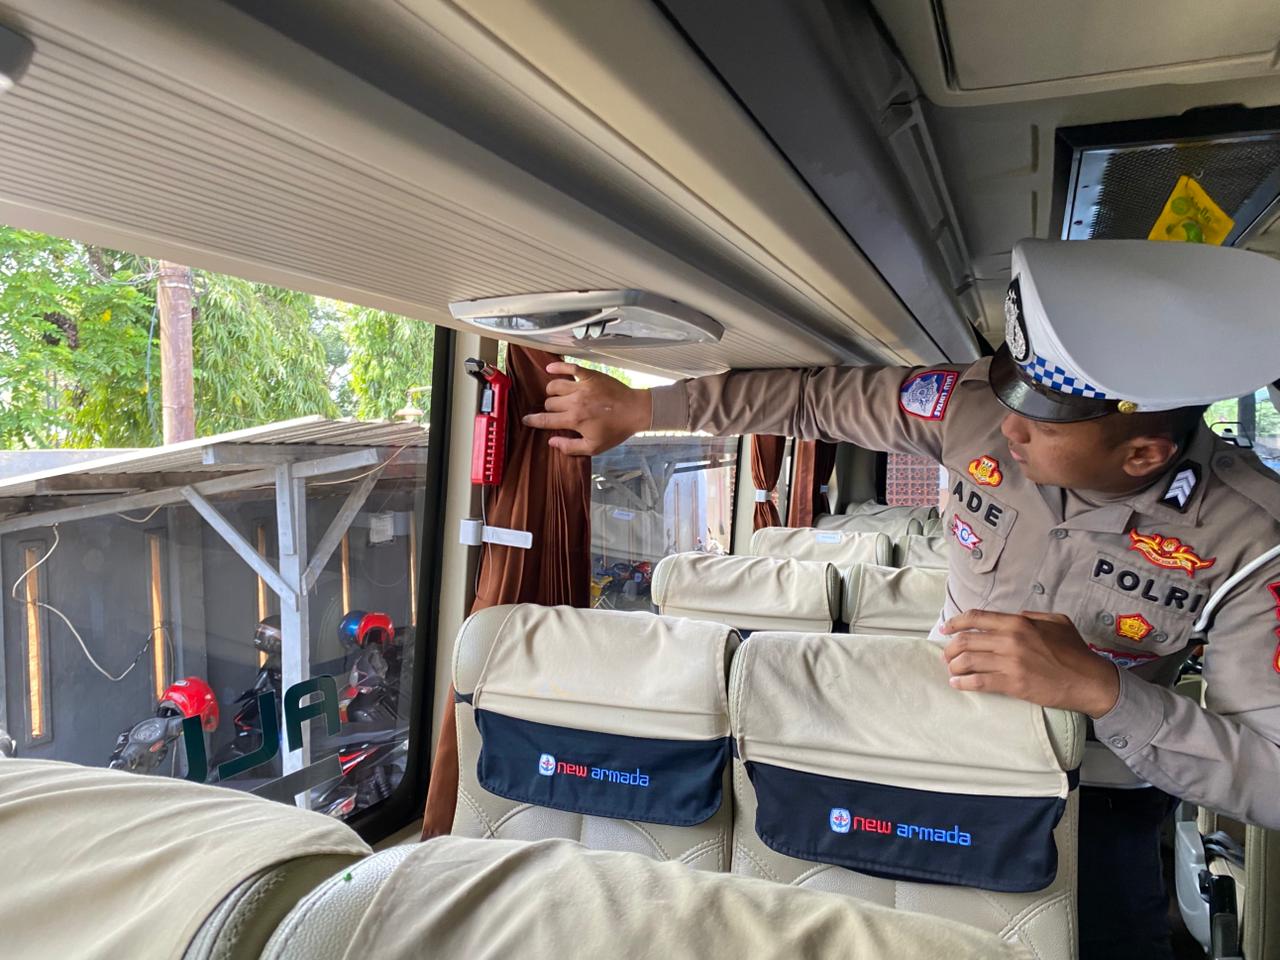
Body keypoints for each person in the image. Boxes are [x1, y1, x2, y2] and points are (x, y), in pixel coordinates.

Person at [523, 237, 1280, 959]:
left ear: (1143, 453)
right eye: (1012, 394)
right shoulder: (972, 408)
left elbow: (1271, 778)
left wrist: (1101, 690)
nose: (1005, 427)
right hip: (926, 749)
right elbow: (813, 401)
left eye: (1041, 421)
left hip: (1100, 796)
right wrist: (644, 411)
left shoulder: (1250, 537)